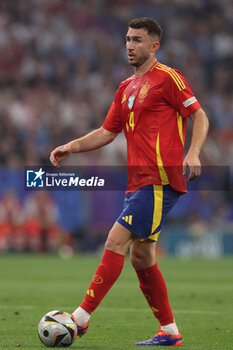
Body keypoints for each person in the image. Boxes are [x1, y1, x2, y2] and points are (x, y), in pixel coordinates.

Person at [50, 17, 209, 346]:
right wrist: (72, 147)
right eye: (127, 39)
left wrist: (193, 152)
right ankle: (169, 331)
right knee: (142, 258)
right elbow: (107, 132)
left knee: (114, 242)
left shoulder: (168, 78)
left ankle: (79, 320)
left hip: (159, 179)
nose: (129, 45)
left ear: (154, 45)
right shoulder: (125, 88)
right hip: (137, 183)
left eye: (137, 40)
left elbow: (199, 115)